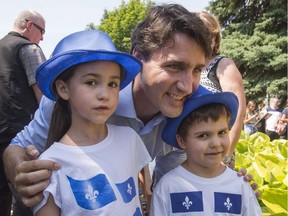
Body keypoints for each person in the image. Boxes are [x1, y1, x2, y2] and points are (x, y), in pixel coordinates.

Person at [3, 4, 256, 209]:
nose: (187, 86)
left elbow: (176, 180)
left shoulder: (190, 113)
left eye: (197, 70)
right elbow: (16, 147)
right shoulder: (75, 99)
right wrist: (20, 173)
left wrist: (230, 184)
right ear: (138, 57)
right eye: (174, 66)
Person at [33, 30, 151, 215]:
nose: (104, 94)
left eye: (113, 84)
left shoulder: (130, 138)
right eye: (91, 82)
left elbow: (141, 194)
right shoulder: (51, 164)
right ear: (63, 89)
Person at [152, 10, 247, 182]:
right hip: (176, 144)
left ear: (214, 37)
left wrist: (223, 156)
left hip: (211, 148)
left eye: (207, 33)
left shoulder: (222, 64)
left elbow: (238, 112)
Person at [150, 90, 262, 215]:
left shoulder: (240, 185)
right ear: (182, 140)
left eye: (222, 133)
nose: (216, 143)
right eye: (203, 135)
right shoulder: (167, 186)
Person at [0, 10, 46, 216]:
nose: (43, 37)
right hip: (20, 135)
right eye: (42, 30)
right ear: (29, 25)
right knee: (26, 195)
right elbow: (44, 95)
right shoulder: (29, 48)